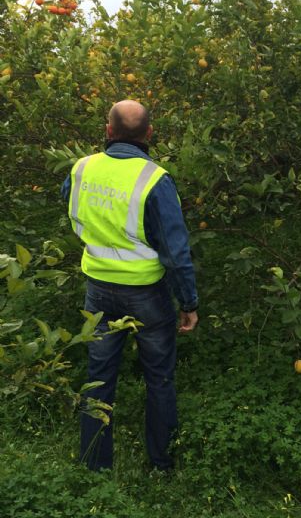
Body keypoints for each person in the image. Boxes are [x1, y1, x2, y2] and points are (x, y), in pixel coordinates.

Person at [61, 99, 198, 471]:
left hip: (98, 290)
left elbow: (72, 208)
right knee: (159, 377)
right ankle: (161, 463)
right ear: (149, 134)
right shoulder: (155, 179)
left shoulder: (81, 168)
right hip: (147, 296)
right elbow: (175, 249)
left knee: (98, 377)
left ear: (108, 131)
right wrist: (188, 302)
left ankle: (94, 463)